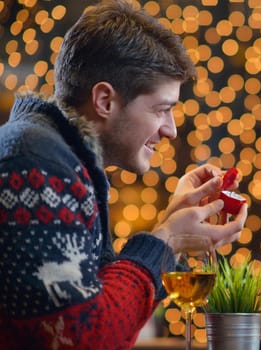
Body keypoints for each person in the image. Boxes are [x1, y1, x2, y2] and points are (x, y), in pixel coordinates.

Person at [0, 1, 247, 349]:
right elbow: (85, 340)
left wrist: (171, 225)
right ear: (104, 100)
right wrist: (166, 243)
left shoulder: (57, 157)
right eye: (162, 110)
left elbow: (99, 309)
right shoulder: (37, 165)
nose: (171, 131)